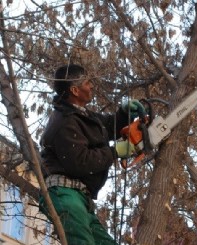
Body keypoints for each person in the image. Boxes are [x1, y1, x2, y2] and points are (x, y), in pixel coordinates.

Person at [39, 64, 146, 245]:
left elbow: (106, 126)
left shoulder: (82, 115)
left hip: (80, 198)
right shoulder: (64, 122)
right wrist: (115, 152)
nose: (91, 86)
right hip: (64, 193)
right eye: (87, 83)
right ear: (74, 90)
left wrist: (124, 113)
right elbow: (81, 162)